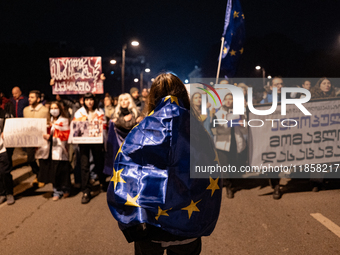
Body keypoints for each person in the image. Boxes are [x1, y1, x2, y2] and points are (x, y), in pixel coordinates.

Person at [107, 73, 222, 255]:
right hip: (188, 224)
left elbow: (124, 173)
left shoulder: (139, 132)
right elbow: (211, 174)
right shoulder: (199, 132)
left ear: (152, 97)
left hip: (149, 226)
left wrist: (128, 218)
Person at [73, 93, 108, 204]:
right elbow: (75, 125)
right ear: (84, 101)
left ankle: (102, 182)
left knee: (99, 162)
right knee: (84, 165)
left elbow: (104, 125)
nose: (89, 102)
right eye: (87, 100)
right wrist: (87, 118)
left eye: (91, 100)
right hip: (84, 143)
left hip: (96, 142)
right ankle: (86, 190)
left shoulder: (99, 112)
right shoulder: (79, 112)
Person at [213, 93, 246, 199]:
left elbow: (245, 130)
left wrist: (242, 124)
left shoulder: (240, 112)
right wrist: (227, 125)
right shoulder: (218, 113)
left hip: (236, 143)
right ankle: (229, 187)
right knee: (224, 166)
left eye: (231, 99)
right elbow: (216, 131)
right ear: (223, 101)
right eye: (226, 99)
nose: (228, 101)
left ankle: (233, 182)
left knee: (234, 164)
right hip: (222, 144)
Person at [37, 101, 72, 200]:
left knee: (63, 170)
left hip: (61, 149)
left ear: (60, 109)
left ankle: (66, 189)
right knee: (53, 171)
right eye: (51, 108)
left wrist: (52, 134)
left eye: (55, 108)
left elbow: (65, 135)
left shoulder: (64, 121)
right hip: (49, 149)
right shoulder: (48, 122)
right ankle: (56, 191)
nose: (53, 110)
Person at [23, 90, 50, 186]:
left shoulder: (45, 110)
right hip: (30, 138)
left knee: (42, 159)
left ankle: (42, 178)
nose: (29, 99)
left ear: (38, 99)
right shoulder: (25, 110)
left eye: (32, 97)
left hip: (41, 138)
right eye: (29, 97)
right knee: (30, 159)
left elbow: (49, 123)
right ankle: (37, 173)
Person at [0, 97, 15, 205]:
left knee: (5, 172)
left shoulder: (4, 114)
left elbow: (12, 127)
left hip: (2, 148)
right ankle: (1, 193)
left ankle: (9, 193)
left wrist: (6, 132)